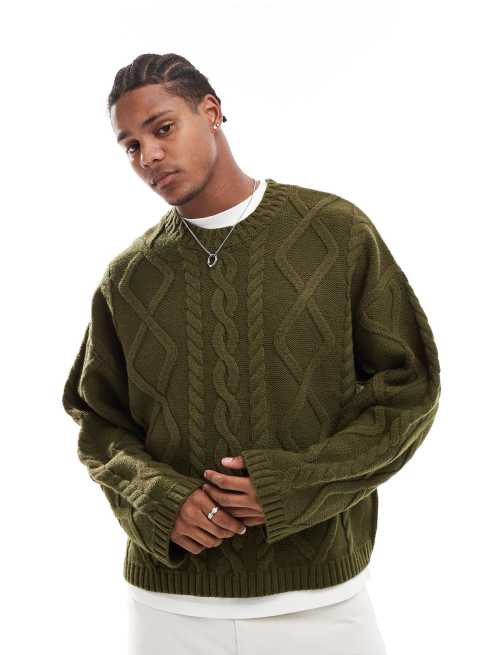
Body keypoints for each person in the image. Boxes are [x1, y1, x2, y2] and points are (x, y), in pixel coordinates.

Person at [62, 52, 441, 655]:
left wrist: (297, 484)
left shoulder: (334, 232)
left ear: (211, 112)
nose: (149, 156)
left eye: (162, 129)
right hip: (169, 608)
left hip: (320, 597)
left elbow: (410, 388)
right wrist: (159, 499)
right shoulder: (128, 278)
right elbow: (97, 420)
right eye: (130, 145)